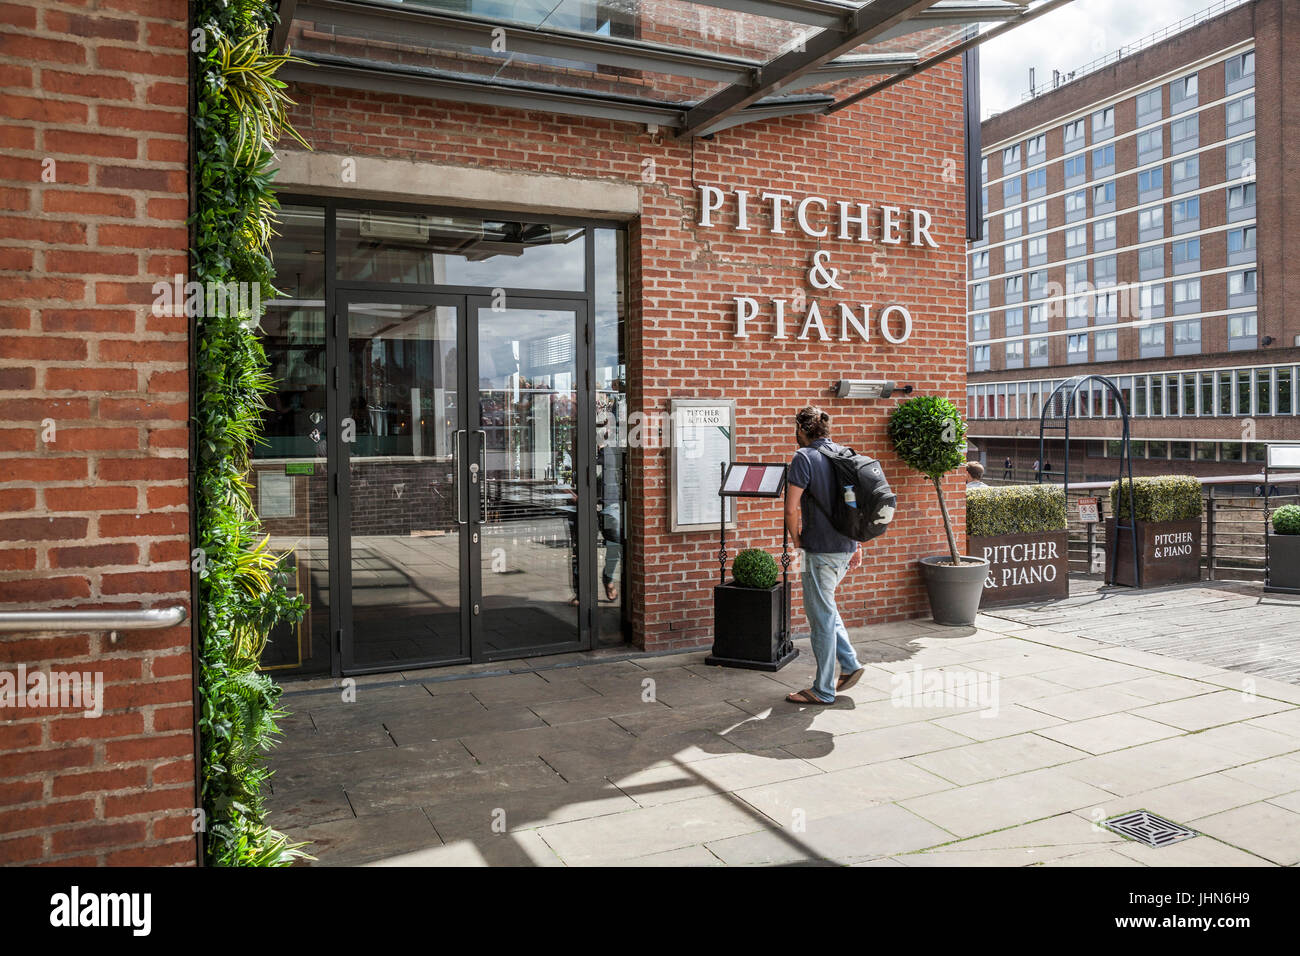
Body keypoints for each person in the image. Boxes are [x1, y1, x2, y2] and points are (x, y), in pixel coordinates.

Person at [782, 405, 866, 705]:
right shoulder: (844, 454)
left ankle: (823, 689)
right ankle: (851, 664)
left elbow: (790, 508)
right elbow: (854, 505)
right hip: (846, 546)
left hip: (819, 549)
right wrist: (857, 544)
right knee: (827, 607)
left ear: (801, 430)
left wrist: (797, 542)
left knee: (820, 620)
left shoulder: (804, 457)